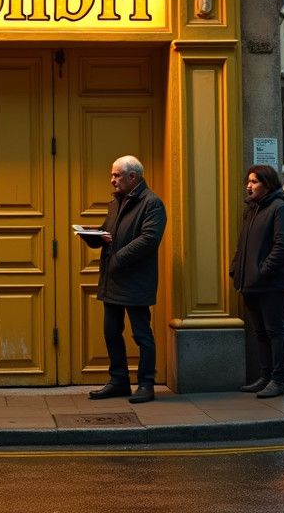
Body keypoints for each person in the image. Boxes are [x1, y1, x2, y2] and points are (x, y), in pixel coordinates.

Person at [80, 155, 167, 404]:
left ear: (133, 177)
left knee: (141, 335)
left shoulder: (152, 203)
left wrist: (118, 258)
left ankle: (146, 384)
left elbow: (149, 239)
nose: (112, 180)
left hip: (136, 280)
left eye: (116, 175)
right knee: (111, 332)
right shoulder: (116, 202)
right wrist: (92, 236)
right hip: (113, 279)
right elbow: (109, 233)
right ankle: (118, 381)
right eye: (112, 175)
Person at [228, 165, 284, 398]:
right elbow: (243, 245)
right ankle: (265, 377)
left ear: (267, 184)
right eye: (248, 182)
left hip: (271, 284)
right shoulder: (251, 209)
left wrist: (263, 271)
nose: (248, 186)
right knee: (260, 332)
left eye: (254, 182)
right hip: (250, 283)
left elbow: (283, 246)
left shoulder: (280, 209)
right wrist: (236, 268)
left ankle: (278, 381)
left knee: (275, 331)